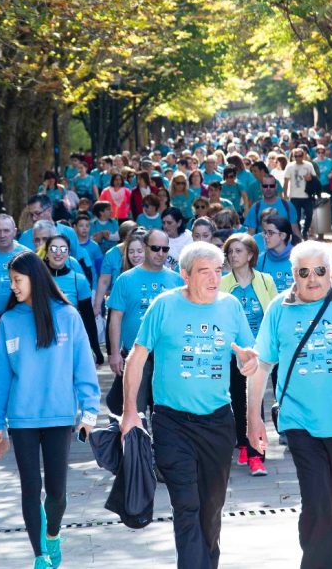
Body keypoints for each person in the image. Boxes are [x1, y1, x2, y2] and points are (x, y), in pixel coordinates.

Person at [120, 242, 259, 569]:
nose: (214, 279)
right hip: (172, 424)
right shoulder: (164, 306)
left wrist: (245, 359)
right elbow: (136, 358)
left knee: (211, 509)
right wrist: (129, 411)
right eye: (204, 272)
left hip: (217, 422)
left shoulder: (230, 307)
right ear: (185, 275)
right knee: (187, 506)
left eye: (218, 271)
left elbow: (248, 356)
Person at [245, 241, 332, 569]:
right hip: (298, 419)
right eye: (304, 272)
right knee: (316, 497)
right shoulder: (279, 308)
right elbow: (262, 364)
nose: (312, 278)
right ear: (293, 275)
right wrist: (253, 418)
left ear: (330, 271)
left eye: (320, 270)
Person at [0, 252, 100, 569]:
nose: (12, 287)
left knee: (57, 492)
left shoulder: (67, 315)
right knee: (30, 488)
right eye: (11, 281)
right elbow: (0, 378)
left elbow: (84, 369)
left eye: (17, 280)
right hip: (21, 419)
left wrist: (89, 413)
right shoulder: (9, 321)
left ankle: (52, 534)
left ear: (35, 279)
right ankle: (39, 555)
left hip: (60, 417)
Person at [105, 230, 185, 415]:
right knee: (135, 411)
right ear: (145, 248)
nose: (160, 253)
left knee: (165, 412)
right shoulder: (125, 279)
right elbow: (115, 318)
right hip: (135, 356)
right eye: (155, 248)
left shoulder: (177, 280)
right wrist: (114, 353)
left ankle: (163, 444)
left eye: (165, 249)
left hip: (166, 357)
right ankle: (137, 444)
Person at [219, 234, 277, 476]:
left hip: (260, 353)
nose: (233, 255)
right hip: (233, 353)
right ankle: (243, 443)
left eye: (239, 251)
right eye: (230, 251)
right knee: (237, 400)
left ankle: (257, 455)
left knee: (256, 401)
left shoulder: (265, 281)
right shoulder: (223, 283)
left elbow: (274, 314)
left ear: (251, 255)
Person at [40, 234, 103, 364]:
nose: (58, 253)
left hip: (69, 342)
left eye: (63, 249)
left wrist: (95, 348)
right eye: (53, 249)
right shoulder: (37, 278)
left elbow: (88, 317)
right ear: (46, 252)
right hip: (42, 341)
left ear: (68, 253)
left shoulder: (78, 280)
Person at [93, 224, 144, 316]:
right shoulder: (112, 254)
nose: (135, 254)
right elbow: (104, 281)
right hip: (118, 303)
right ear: (125, 238)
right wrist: (97, 306)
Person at [244, 171, 300, 239]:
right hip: (263, 247)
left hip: (284, 247)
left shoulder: (287, 205)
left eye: (271, 186)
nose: (268, 189)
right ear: (261, 187)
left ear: (276, 186)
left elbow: (295, 230)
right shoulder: (255, 208)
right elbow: (251, 234)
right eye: (265, 186)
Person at [258, 214, 299, 293]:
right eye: (265, 233)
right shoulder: (260, 260)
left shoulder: (299, 258)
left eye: (270, 233)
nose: (266, 236)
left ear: (283, 236)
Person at [283, 147, 318, 236]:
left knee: (309, 215)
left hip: (307, 195)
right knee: (296, 217)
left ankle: (305, 231)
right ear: (293, 156)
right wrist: (285, 195)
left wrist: (310, 178)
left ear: (303, 156)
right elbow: (286, 181)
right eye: (296, 156)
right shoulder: (290, 166)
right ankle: (298, 233)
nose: (298, 157)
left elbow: (315, 178)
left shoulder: (309, 165)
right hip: (294, 196)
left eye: (300, 155)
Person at [161, 207, 192, 272]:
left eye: (169, 223)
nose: (165, 226)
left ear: (179, 223)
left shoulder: (190, 237)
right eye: (164, 223)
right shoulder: (159, 238)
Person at [74, 212, 104, 277]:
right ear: (75, 227)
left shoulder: (95, 246)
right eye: (81, 226)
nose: (84, 228)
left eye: (87, 226)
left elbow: (100, 268)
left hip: (92, 284)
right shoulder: (71, 246)